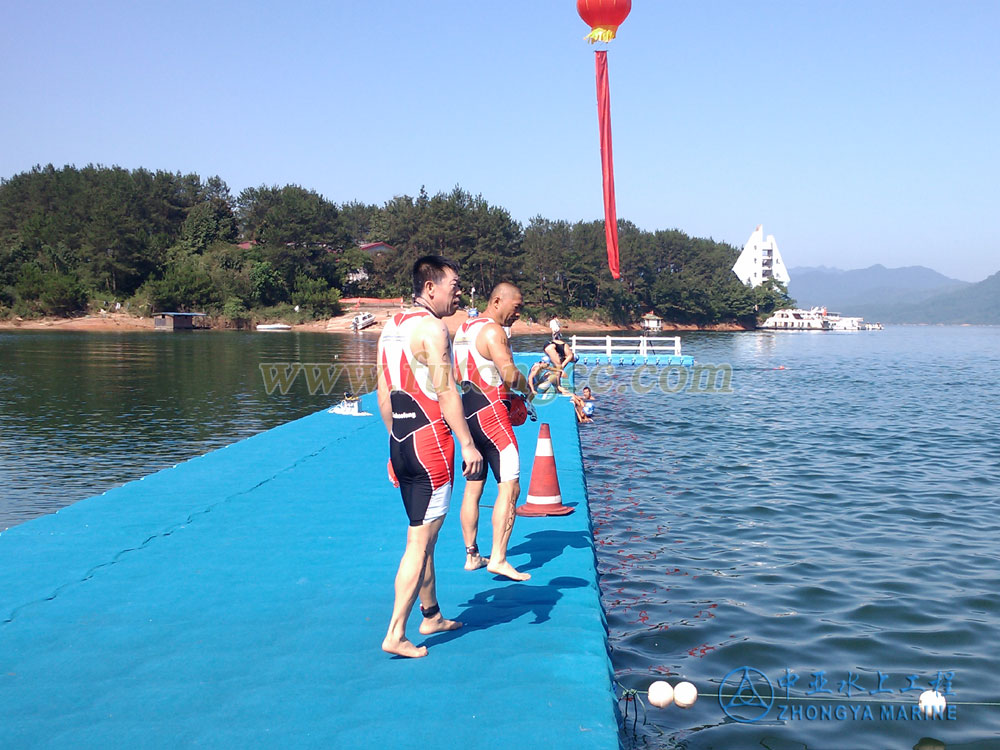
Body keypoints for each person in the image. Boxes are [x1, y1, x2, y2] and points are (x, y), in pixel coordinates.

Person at [376, 255, 484, 659]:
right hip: (432, 445)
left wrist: (394, 443)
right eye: (454, 285)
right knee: (419, 542)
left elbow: (384, 392)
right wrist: (468, 443)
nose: (460, 291)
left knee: (424, 534)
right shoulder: (434, 330)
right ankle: (395, 632)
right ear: (429, 288)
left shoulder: (390, 327)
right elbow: (446, 391)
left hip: (402, 442)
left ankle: (431, 613)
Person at [453, 283, 532, 582]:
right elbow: (509, 374)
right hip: (492, 416)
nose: (519, 313)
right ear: (498, 301)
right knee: (510, 488)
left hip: (468, 411)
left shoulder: (463, 329)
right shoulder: (493, 331)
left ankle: (472, 554)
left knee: (473, 488)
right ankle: (498, 558)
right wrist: (528, 390)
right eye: (517, 306)